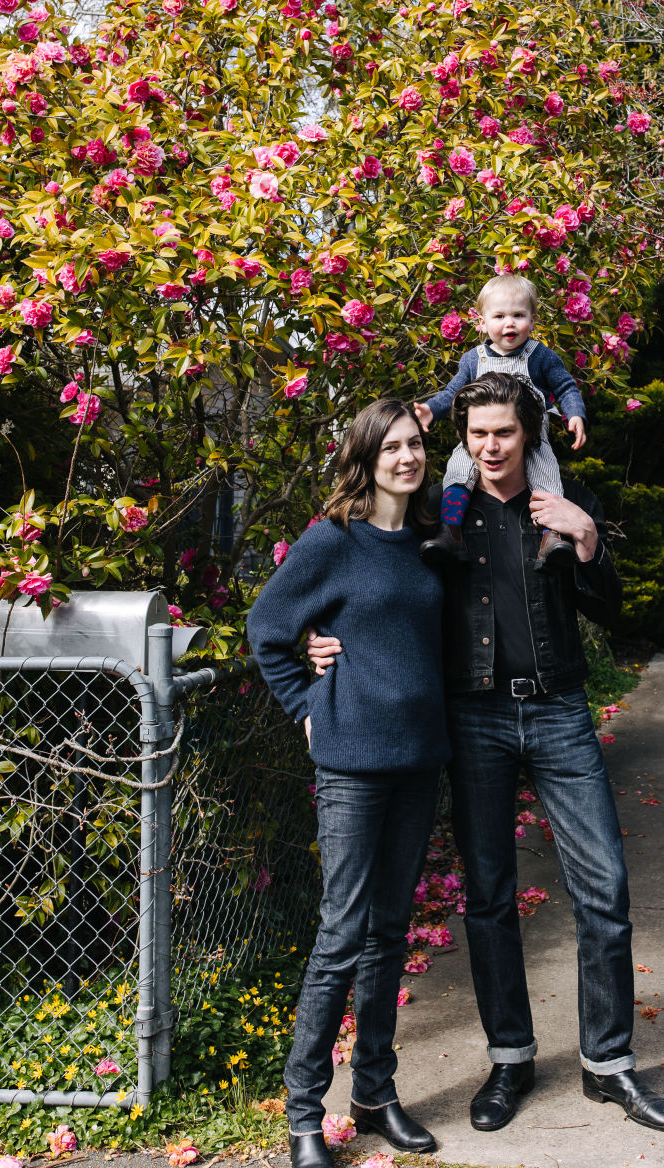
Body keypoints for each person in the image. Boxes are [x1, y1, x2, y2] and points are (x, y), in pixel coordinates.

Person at [308, 372, 664, 1135]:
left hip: (558, 713)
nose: (489, 446)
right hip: (471, 717)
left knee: (604, 890)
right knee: (488, 900)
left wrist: (586, 537)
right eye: (476, 434)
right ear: (464, 438)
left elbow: (609, 610)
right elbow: (373, 587)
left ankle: (609, 1066)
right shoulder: (436, 517)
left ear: (528, 435)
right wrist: (318, 645)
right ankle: (509, 1057)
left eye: (503, 433)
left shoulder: (561, 504)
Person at [246, 399, 449, 1168]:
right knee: (341, 935)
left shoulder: (432, 541)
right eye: (391, 447)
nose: (407, 458)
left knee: (391, 933)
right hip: (352, 766)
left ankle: (374, 1093)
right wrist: (306, 702)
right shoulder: (331, 541)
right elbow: (267, 628)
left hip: (419, 760)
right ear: (365, 458)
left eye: (415, 445)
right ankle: (303, 1114)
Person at [415, 273, 587, 570]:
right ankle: (451, 531)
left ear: (532, 321)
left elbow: (565, 387)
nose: (509, 323)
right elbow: (452, 393)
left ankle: (551, 536)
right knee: (458, 470)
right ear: (482, 322)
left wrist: (575, 414)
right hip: (479, 440)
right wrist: (431, 410)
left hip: (533, 438)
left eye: (518, 315)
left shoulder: (540, 356)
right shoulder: (474, 359)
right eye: (499, 316)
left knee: (545, 477)